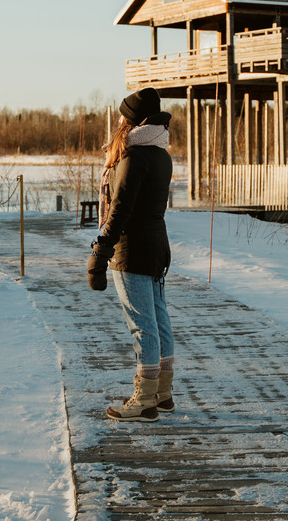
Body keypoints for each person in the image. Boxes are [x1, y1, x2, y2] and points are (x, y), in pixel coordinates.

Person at [87, 87, 175, 422]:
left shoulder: (134, 156)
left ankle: (144, 400)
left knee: (143, 326)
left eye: (124, 116)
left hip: (133, 248)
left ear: (131, 122)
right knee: (159, 320)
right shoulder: (160, 154)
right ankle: (162, 394)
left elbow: (120, 211)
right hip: (156, 246)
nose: (120, 121)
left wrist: (100, 251)